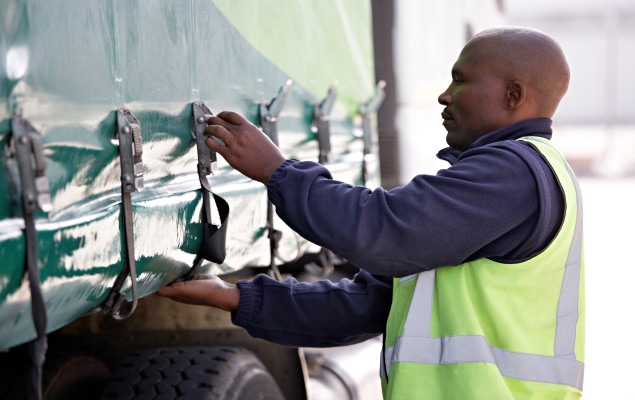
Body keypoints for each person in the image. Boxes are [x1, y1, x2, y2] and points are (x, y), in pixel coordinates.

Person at [158, 26, 585, 399]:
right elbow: (370, 303)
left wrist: (277, 172)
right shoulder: (513, 176)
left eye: (460, 80)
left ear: (513, 95)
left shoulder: (515, 174)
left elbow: (382, 232)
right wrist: (235, 297)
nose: (444, 95)